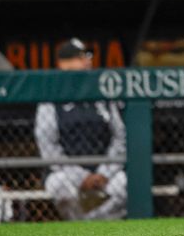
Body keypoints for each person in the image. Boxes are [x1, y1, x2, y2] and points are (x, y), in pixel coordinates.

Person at [34, 38, 127, 221]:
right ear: (63, 64)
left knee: (124, 183)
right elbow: (48, 145)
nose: (87, 61)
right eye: (80, 57)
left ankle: (94, 229)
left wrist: (104, 173)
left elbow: (120, 137)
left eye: (87, 56)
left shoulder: (103, 94)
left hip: (104, 172)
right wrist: (81, 177)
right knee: (59, 184)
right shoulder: (51, 97)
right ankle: (88, 228)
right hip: (68, 173)